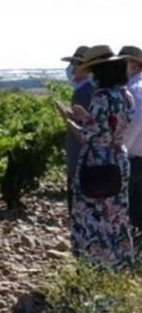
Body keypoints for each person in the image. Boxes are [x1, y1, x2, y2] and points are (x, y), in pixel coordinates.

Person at [58, 45, 135, 270]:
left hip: (97, 162)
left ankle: (96, 267)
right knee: (116, 215)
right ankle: (120, 265)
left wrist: (71, 122)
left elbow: (90, 136)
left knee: (92, 218)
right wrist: (87, 118)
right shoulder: (125, 94)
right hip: (119, 156)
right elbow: (111, 127)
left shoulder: (102, 96)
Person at [59, 46, 94, 213]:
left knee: (77, 205)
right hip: (84, 157)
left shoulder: (84, 92)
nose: (72, 67)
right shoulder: (86, 89)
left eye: (76, 63)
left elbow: (85, 128)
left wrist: (67, 117)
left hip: (80, 156)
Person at [119, 45, 142, 245]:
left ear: (134, 65)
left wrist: (121, 148)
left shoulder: (135, 89)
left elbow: (135, 122)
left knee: (133, 211)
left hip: (135, 159)